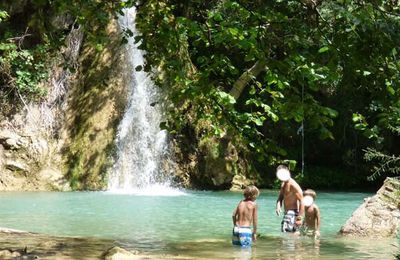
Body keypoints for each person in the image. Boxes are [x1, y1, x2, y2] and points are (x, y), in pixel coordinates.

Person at [275, 165, 304, 233]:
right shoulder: (283, 183)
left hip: (293, 213)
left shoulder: (293, 185)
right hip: (287, 213)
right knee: (287, 235)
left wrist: (299, 218)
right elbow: (280, 197)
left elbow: (302, 201)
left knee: (289, 235)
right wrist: (278, 206)